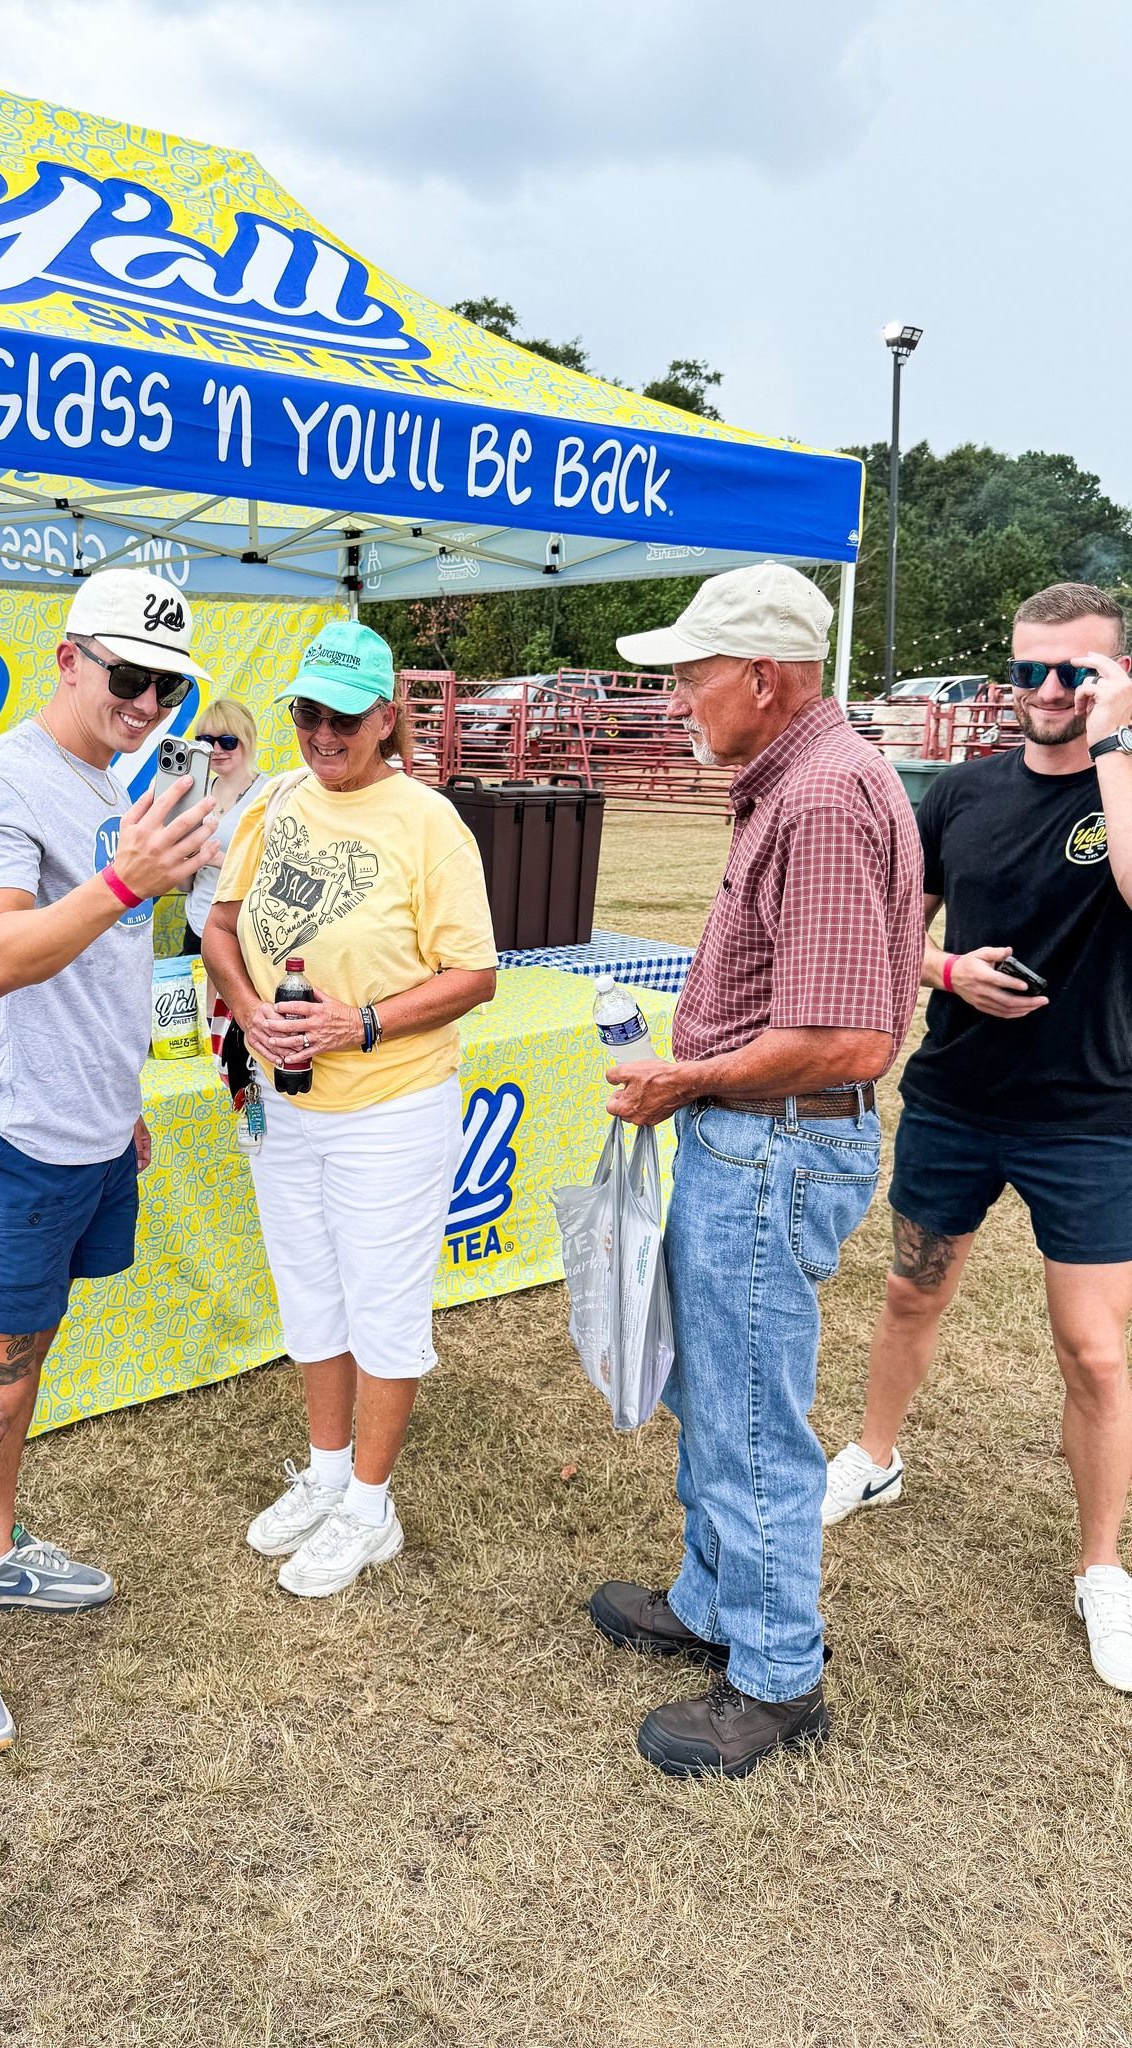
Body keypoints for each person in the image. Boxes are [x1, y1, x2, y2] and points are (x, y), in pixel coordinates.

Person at [589, 562, 923, 1779]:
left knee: (744, 1408)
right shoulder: (804, 777)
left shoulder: (823, 796)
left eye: (691, 672)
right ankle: (715, 1597)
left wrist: (688, 1076)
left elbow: (847, 1037)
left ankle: (776, 1670)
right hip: (765, 1131)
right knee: (719, 1385)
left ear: (763, 676)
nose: (679, 696)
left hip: (774, 1137)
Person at [0, 569, 217, 1761]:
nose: (146, 701)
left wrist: (116, 1097)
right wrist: (128, 877)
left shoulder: (121, 778)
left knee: (25, 1366)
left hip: (88, 1128)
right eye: (127, 675)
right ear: (69, 656)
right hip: (7, 1139)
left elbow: (108, 969)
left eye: (167, 682)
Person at [824, 582, 1132, 1694]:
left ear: (1114, 677)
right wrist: (951, 971)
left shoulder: (1127, 782)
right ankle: (874, 1455)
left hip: (1093, 1115)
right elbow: (888, 930)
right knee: (912, 1291)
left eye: (1076, 672)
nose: (1047, 691)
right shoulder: (959, 791)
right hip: (956, 1096)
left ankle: (1103, 1566)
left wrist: (1120, 743)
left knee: (1093, 1350)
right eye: (1029, 670)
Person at [202, 620, 496, 1598]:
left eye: (339, 716)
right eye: (304, 713)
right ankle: (327, 1470)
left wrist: (358, 1023)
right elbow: (223, 922)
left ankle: (372, 1505)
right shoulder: (277, 798)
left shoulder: (428, 822)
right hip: (282, 1102)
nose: (319, 733)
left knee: (382, 1301)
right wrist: (249, 1012)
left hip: (389, 1105)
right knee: (309, 1289)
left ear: (383, 718)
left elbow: (474, 974)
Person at [179, 697, 267, 955]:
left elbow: (277, 874)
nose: (215, 750)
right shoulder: (193, 793)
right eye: (205, 741)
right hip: (197, 925)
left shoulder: (270, 794)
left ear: (247, 740)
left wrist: (215, 857)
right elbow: (185, 885)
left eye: (227, 741)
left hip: (246, 931)